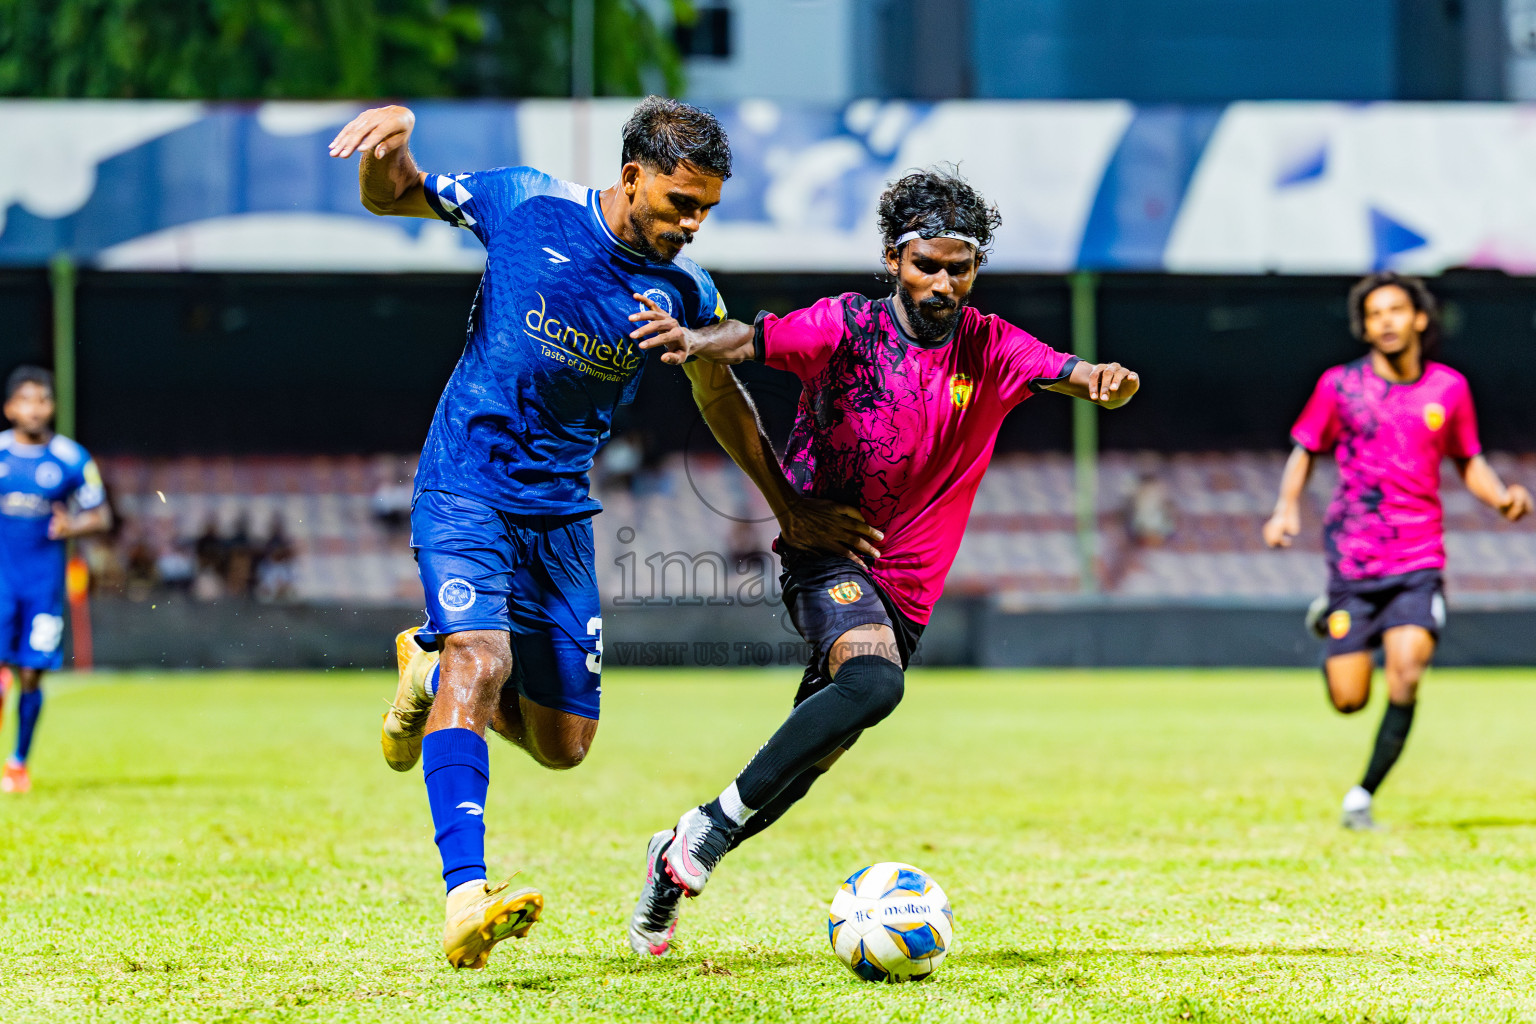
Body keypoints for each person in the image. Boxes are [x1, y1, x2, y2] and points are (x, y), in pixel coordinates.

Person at [327, 97, 867, 970]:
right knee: (484, 659)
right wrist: (390, 144)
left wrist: (786, 502)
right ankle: (466, 896)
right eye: (681, 204)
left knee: (563, 745)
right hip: (464, 482)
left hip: (562, 517)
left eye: (707, 210)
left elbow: (719, 396)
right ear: (631, 177)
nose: (693, 225)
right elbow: (395, 196)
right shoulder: (527, 203)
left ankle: (426, 673)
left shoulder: (684, 292)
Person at [621, 168, 1141, 955]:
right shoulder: (847, 327)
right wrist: (695, 340)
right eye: (925, 264)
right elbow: (755, 338)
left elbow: (1069, 372)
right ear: (895, 260)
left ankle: (676, 858)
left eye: (956, 267)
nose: (940, 282)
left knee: (807, 759)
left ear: (974, 270)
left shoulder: (992, 347)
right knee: (874, 682)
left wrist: (1103, 380)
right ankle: (701, 834)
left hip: (908, 594)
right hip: (824, 553)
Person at [1262, 273, 1530, 830]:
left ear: (1419, 319)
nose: (1385, 321)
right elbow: (1305, 449)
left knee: (1407, 673)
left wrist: (1501, 498)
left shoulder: (1449, 389)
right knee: (1349, 699)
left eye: (1395, 310)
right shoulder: (1339, 386)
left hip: (1418, 556)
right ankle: (1329, 621)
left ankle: (1362, 796)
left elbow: (1468, 459)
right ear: (1365, 326)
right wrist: (1287, 507)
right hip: (1354, 557)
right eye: (1375, 313)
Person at [0, 366, 111, 794]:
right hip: (3, 582)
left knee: (32, 674)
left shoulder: (71, 458)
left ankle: (18, 763)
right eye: (25, 400)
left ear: (53, 406)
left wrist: (73, 528)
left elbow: (102, 516)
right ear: (10, 407)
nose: (34, 408)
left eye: (42, 400)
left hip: (44, 586)